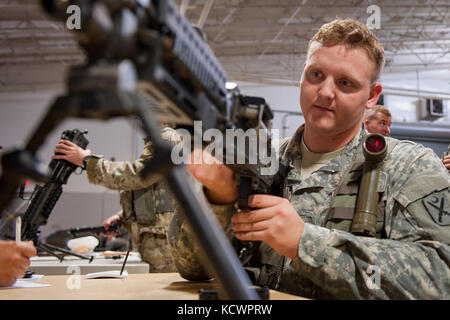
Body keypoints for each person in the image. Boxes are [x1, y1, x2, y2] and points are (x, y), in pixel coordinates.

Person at [168, 18, 450, 299]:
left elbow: (440, 275)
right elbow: (191, 268)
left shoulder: (408, 166)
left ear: (372, 96)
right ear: (303, 75)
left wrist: (306, 243)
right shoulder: (262, 160)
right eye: (316, 75)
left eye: (345, 83)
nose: (326, 92)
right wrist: (219, 198)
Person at [53, 124, 182, 272]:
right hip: (155, 245)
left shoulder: (168, 137)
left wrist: (88, 161)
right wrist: (122, 217)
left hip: (162, 250)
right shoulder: (158, 140)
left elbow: (139, 175)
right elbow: (154, 194)